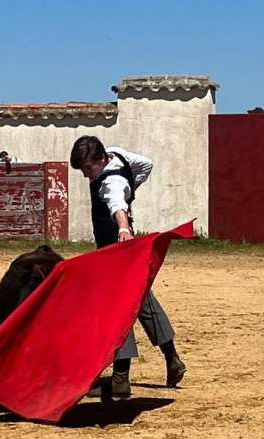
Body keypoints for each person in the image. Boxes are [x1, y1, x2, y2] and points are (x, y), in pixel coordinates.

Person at [69, 135, 187, 399]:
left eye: (88, 168)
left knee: (118, 310)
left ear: (100, 160)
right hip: (129, 252)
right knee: (143, 302)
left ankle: (121, 379)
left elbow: (116, 205)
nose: (87, 175)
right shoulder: (117, 154)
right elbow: (147, 164)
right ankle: (173, 359)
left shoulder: (110, 183)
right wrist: (131, 189)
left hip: (115, 253)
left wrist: (123, 223)